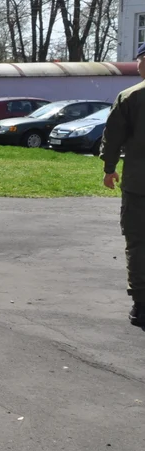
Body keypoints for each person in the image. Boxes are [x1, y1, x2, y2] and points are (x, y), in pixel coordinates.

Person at [101, 42, 145, 330]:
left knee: (139, 242)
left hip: (139, 186)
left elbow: (113, 136)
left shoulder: (130, 97)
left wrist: (109, 169)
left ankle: (141, 306)